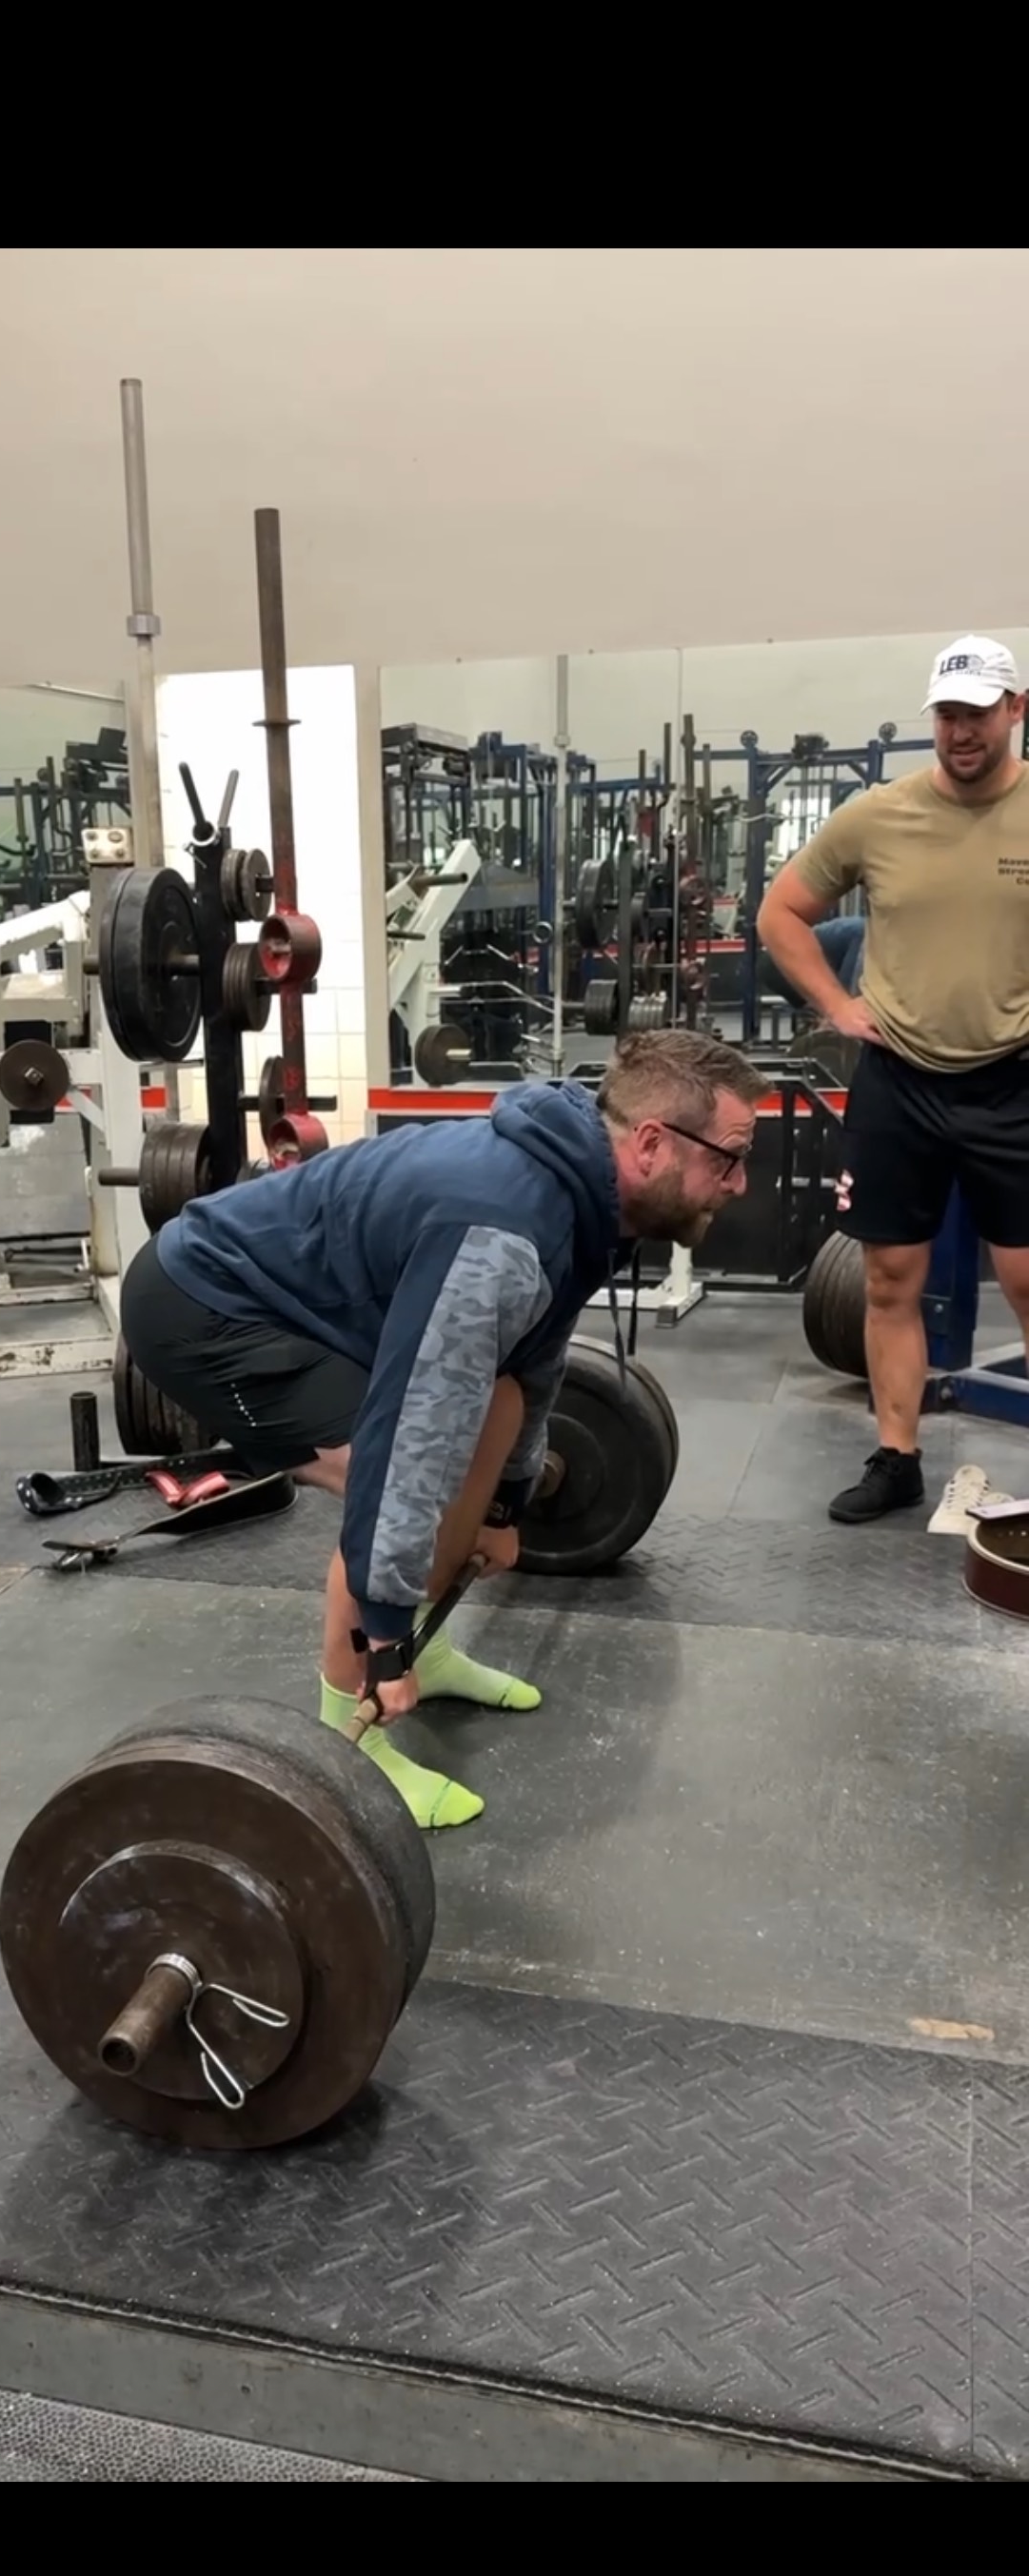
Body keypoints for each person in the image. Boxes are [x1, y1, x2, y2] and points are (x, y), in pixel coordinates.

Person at [120, 1029, 766, 1832]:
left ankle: (428, 1645)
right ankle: (348, 1739)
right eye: (729, 1158)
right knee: (380, 1477)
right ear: (650, 1144)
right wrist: (386, 1635)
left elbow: (531, 1363)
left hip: (297, 1298)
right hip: (200, 1307)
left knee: (484, 1411)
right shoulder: (502, 1233)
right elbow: (409, 1441)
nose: (739, 1183)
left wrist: (507, 1507)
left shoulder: (582, 1190)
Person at [757, 632, 1029, 1524]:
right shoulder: (878, 816)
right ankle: (897, 1457)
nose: (960, 731)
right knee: (888, 1281)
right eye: (947, 714)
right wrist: (838, 1006)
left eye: (978, 713)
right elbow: (782, 912)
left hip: (1012, 1081)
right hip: (898, 1081)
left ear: (1015, 711)